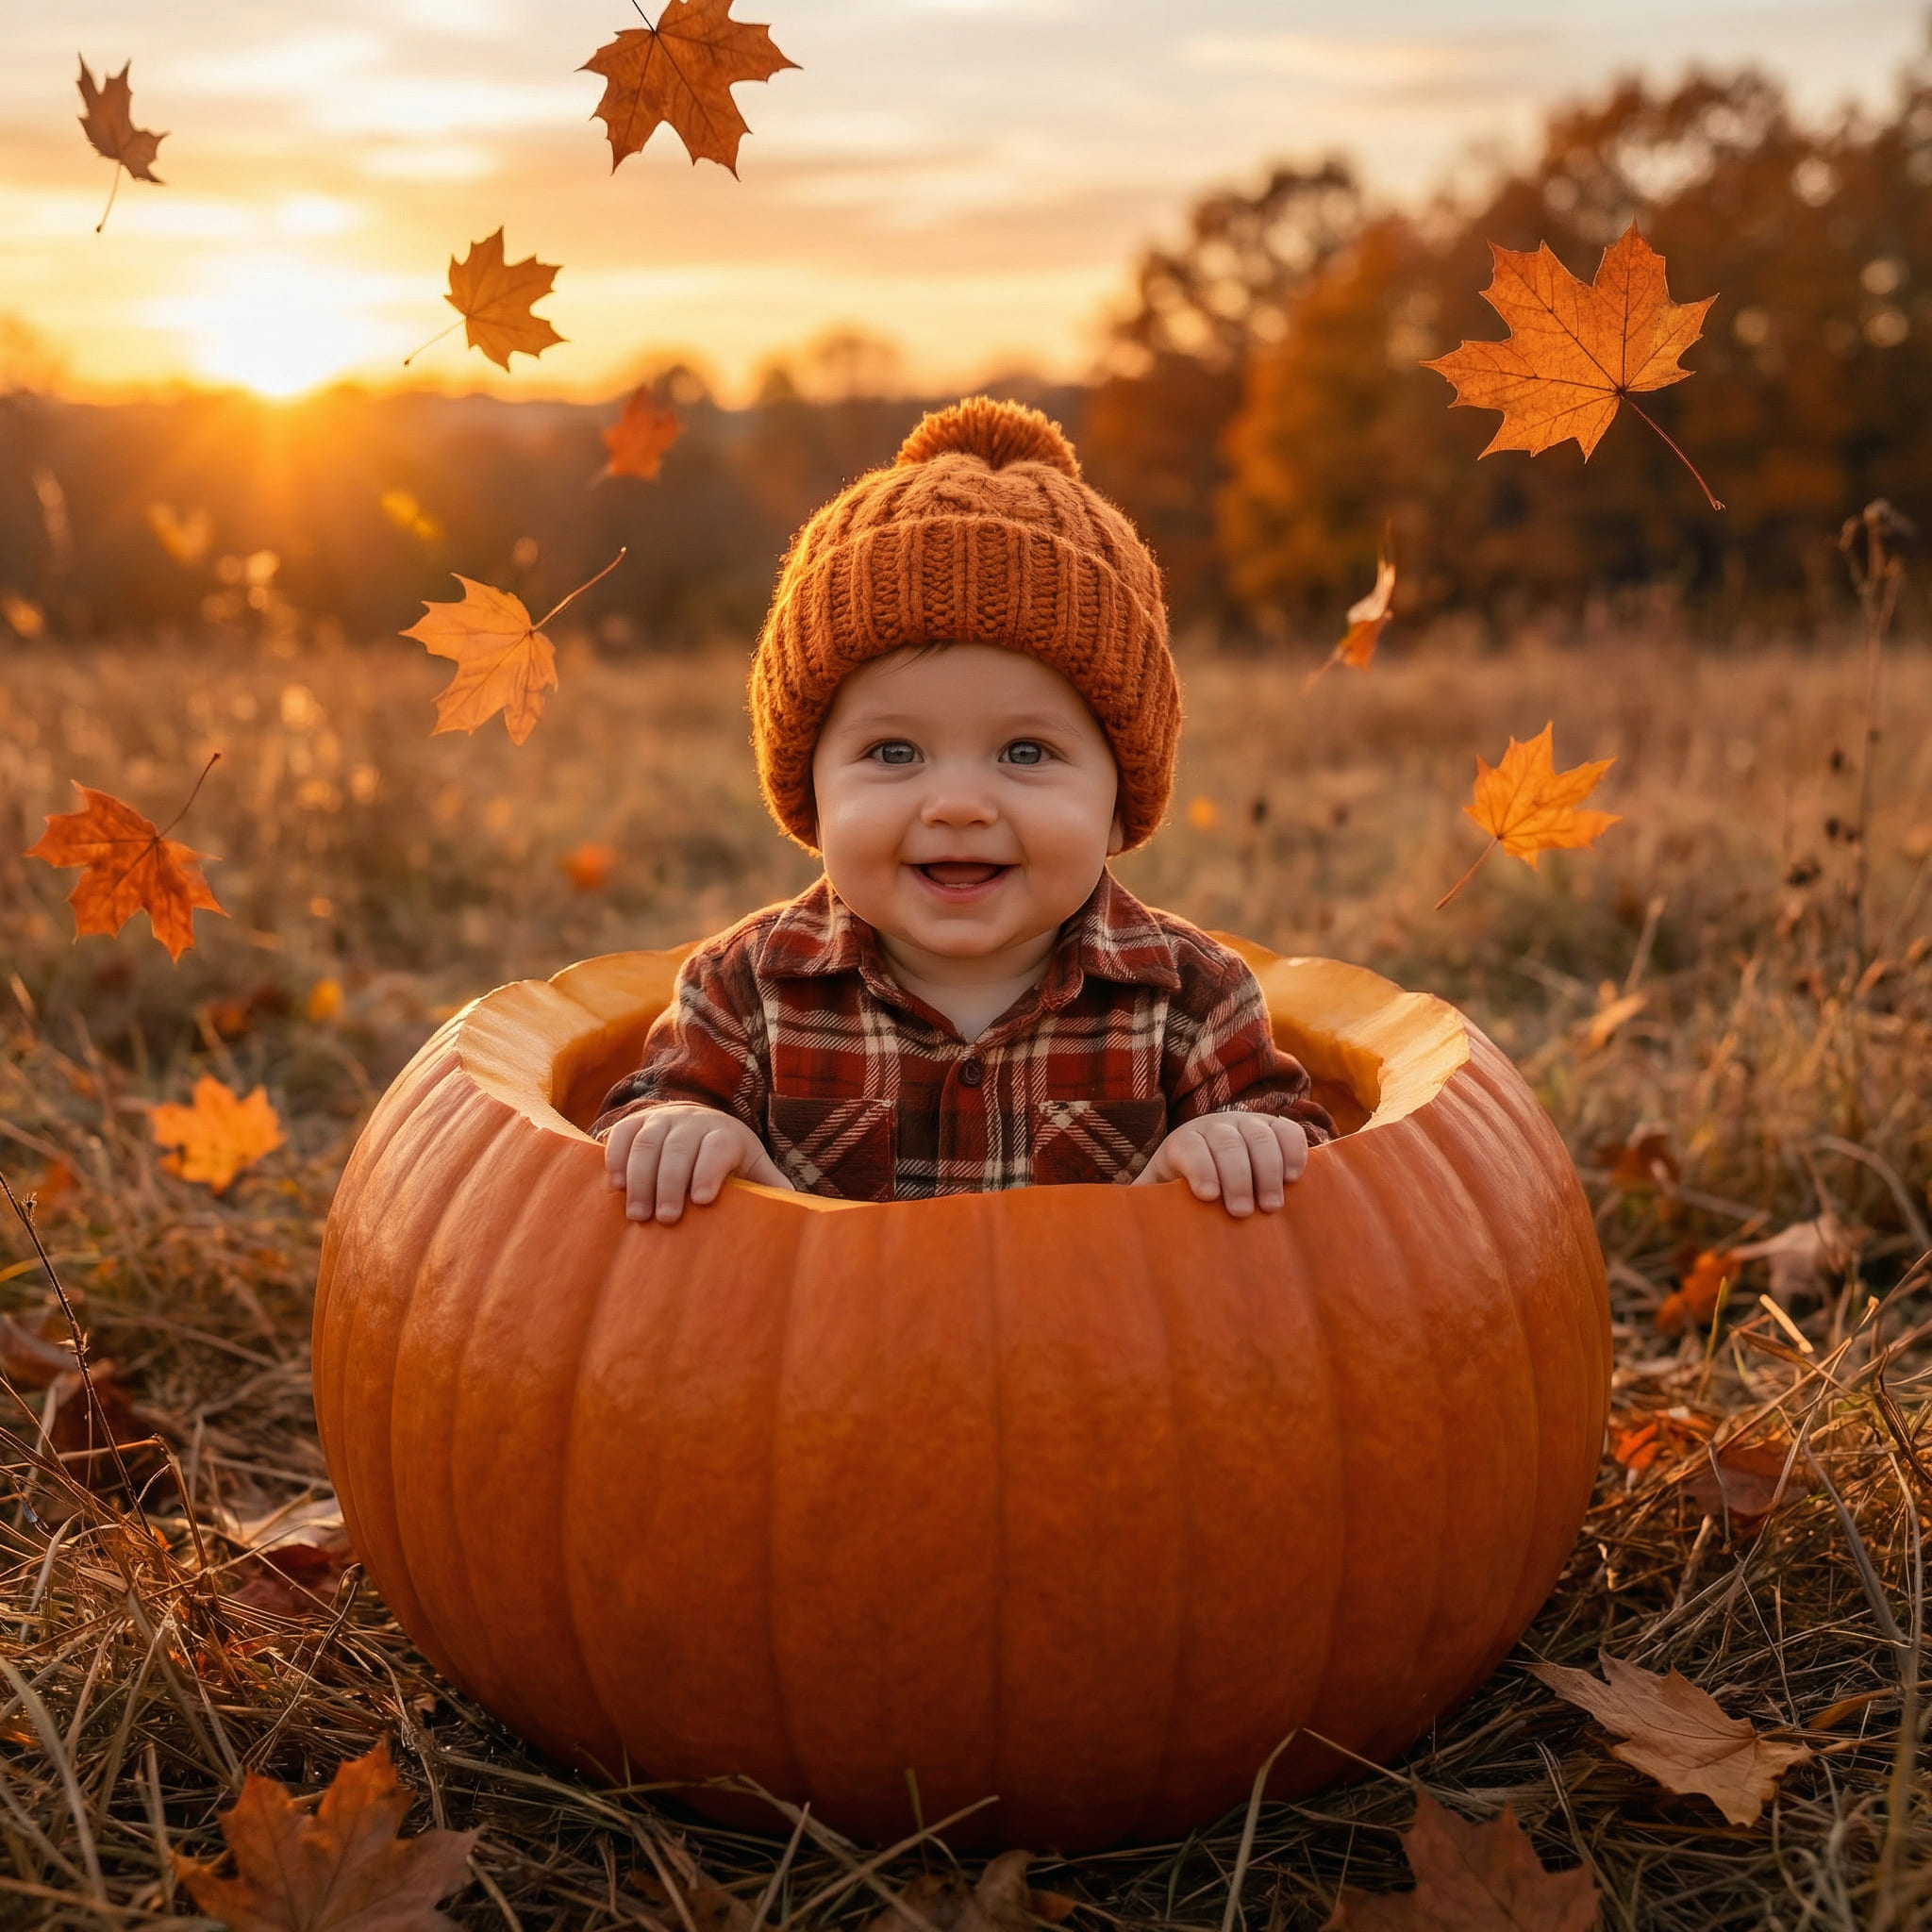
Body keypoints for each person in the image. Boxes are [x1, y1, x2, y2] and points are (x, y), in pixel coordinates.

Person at [595, 395, 1333, 1222]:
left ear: (1121, 803)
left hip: (1101, 1348)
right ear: (810, 789)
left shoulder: (1193, 1002)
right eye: (893, 753)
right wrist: (694, 1134)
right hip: (827, 1347)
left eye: (1025, 753)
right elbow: (624, 1135)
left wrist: (1233, 1144)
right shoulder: (743, 994)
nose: (955, 805)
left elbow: (1313, 1169)